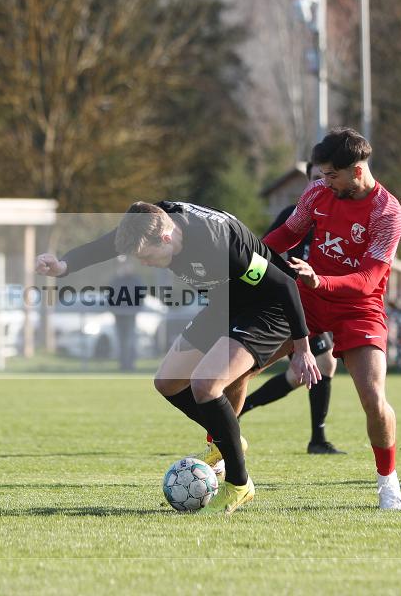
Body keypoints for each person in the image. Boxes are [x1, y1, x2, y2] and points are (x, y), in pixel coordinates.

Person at [36, 201, 321, 514]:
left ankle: (240, 485)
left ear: (167, 238)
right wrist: (65, 266)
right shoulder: (149, 220)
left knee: (205, 385)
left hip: (267, 309)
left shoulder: (219, 242)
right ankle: (230, 441)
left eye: (147, 257)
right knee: (168, 381)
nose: (144, 264)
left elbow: (283, 285)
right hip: (225, 303)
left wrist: (302, 349)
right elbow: (110, 243)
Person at [264, 127, 401, 510]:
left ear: (357, 172)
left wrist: (319, 278)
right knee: (242, 365)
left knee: (374, 398)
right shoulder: (317, 192)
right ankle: (224, 458)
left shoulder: (388, 213)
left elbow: (368, 280)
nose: (323, 182)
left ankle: (387, 481)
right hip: (308, 301)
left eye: (332, 175)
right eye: (322, 174)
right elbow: (289, 234)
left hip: (358, 308)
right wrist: (251, 254)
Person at [240, 162, 345, 455]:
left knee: (310, 370)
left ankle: (238, 408)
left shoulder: (336, 215)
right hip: (290, 303)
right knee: (318, 364)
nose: (320, 184)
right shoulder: (294, 215)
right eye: (314, 179)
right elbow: (264, 250)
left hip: (316, 303)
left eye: (325, 178)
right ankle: (316, 439)